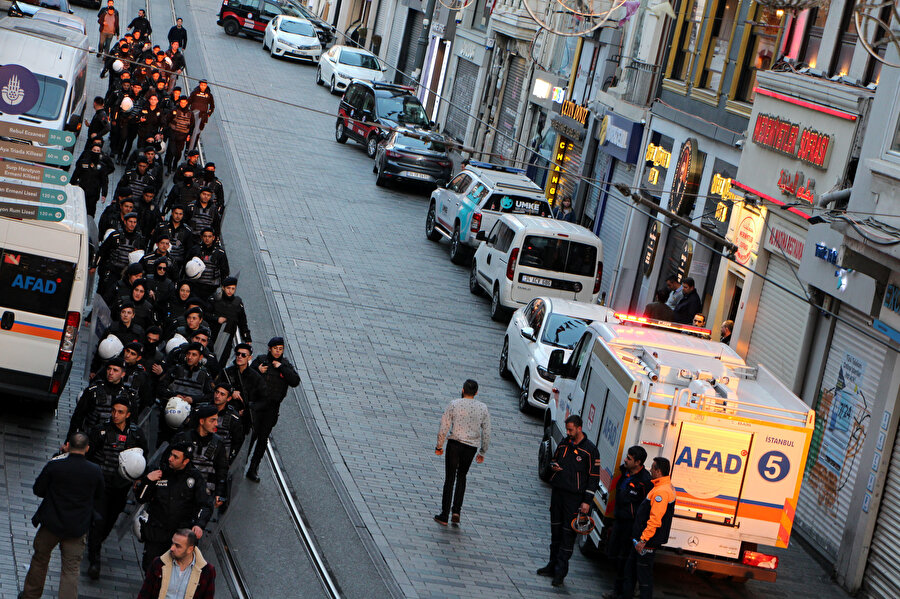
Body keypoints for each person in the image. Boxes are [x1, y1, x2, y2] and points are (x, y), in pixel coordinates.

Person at [20, 433, 105, 599]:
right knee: (71, 570)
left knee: (40, 559)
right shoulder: (95, 471)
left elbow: (39, 489)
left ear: (68, 445)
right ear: (87, 448)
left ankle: (30, 595)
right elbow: (100, 496)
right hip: (77, 527)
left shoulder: (55, 466)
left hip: (51, 524)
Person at [85, 398, 148, 579]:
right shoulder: (100, 431)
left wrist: (139, 478)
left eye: (120, 412)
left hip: (121, 487)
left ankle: (95, 543)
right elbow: (89, 455)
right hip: (101, 484)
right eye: (113, 411)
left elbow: (143, 458)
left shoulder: (136, 435)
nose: (115, 415)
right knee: (99, 520)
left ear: (128, 415)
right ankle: (94, 558)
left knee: (110, 519)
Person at [536, 414, 600, 587]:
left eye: (571, 429)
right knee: (555, 532)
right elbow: (554, 460)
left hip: (575, 498)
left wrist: (587, 501)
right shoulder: (564, 443)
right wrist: (553, 466)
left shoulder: (590, 451)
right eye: (567, 429)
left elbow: (593, 478)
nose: (568, 432)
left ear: (579, 428)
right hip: (558, 494)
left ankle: (560, 572)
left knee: (567, 535)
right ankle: (551, 565)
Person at [135, 443, 213, 571]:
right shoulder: (160, 471)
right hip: (156, 533)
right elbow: (141, 498)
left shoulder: (195, 478)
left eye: (175, 457)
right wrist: (148, 480)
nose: (170, 458)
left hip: (179, 536)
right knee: (150, 568)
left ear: (185, 461)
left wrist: (199, 524)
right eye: (171, 454)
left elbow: (205, 504)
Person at [434, 379, 490, 526]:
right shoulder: (483, 408)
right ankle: (456, 511)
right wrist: (482, 451)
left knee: (450, 478)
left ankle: (444, 515)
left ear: (463, 390)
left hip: (454, 444)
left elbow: (444, 425)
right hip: (471, 447)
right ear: (476, 392)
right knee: (462, 476)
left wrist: (439, 446)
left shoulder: (454, 404)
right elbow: (487, 432)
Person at [246, 337, 300, 482]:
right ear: (270, 348)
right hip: (257, 405)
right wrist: (257, 370)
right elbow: (247, 375)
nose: (277, 351)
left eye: (280, 349)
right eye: (275, 348)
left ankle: (253, 467)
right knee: (252, 435)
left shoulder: (285, 365)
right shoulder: (261, 360)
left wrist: (281, 367)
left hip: (272, 407)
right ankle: (242, 461)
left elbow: (295, 381)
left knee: (263, 439)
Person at [621, 457, 676, 599]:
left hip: (647, 542)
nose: (650, 470)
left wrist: (643, 540)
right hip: (642, 540)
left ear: (658, 471)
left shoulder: (661, 492)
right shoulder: (663, 487)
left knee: (643, 576)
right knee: (631, 571)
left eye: (652, 468)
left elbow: (655, 519)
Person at [603, 446, 653, 599]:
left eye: (629, 458)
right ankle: (618, 589)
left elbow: (647, 507)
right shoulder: (625, 472)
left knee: (625, 560)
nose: (625, 460)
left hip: (631, 526)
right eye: (627, 457)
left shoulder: (645, 482)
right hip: (619, 521)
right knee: (613, 555)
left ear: (638, 462)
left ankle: (624, 592)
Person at [170, 404, 229, 509]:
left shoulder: (218, 444)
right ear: (202, 421)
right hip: (178, 492)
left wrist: (219, 493)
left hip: (203, 496)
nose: (216, 424)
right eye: (212, 420)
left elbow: (222, 471)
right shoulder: (182, 438)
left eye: (216, 420)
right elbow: (167, 462)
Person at [69, 357, 138, 438]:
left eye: (115, 370)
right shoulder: (93, 391)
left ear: (122, 374)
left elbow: (132, 422)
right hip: (90, 437)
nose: (111, 372)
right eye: (109, 369)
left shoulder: (128, 395)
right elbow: (78, 417)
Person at [137, 529, 216, 599]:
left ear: (190, 549)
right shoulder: (158, 563)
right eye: (172, 543)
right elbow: (145, 593)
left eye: (178, 546)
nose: (172, 548)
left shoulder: (207, 571)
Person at [71, 141, 115, 218]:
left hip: (93, 194)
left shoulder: (102, 166)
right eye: (94, 150)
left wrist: (104, 194)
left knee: (90, 213)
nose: (96, 152)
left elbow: (104, 181)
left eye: (98, 151)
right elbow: (75, 175)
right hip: (81, 191)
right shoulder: (83, 163)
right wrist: (71, 186)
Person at [212, 382, 245, 464]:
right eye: (217, 392)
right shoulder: (203, 409)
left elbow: (237, 441)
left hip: (220, 459)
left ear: (229, 398)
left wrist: (230, 459)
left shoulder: (233, 418)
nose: (217, 396)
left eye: (222, 394)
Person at [187, 80, 214, 151]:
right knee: (190, 132)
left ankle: (193, 148)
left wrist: (208, 114)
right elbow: (188, 101)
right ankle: (187, 147)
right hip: (193, 115)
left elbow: (212, 106)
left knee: (197, 133)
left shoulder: (209, 95)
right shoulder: (195, 93)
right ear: (199, 85)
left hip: (202, 117)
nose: (203, 87)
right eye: (201, 85)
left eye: (204, 85)